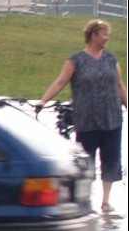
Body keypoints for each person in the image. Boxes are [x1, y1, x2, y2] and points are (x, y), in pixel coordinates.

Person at [35, 19, 128, 214]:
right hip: (87, 119)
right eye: (104, 34)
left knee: (111, 159)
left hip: (112, 118)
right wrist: (42, 101)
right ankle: (85, 199)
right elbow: (60, 82)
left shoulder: (111, 59)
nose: (107, 37)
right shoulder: (76, 60)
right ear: (94, 36)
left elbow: (120, 86)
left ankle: (106, 200)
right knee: (86, 161)